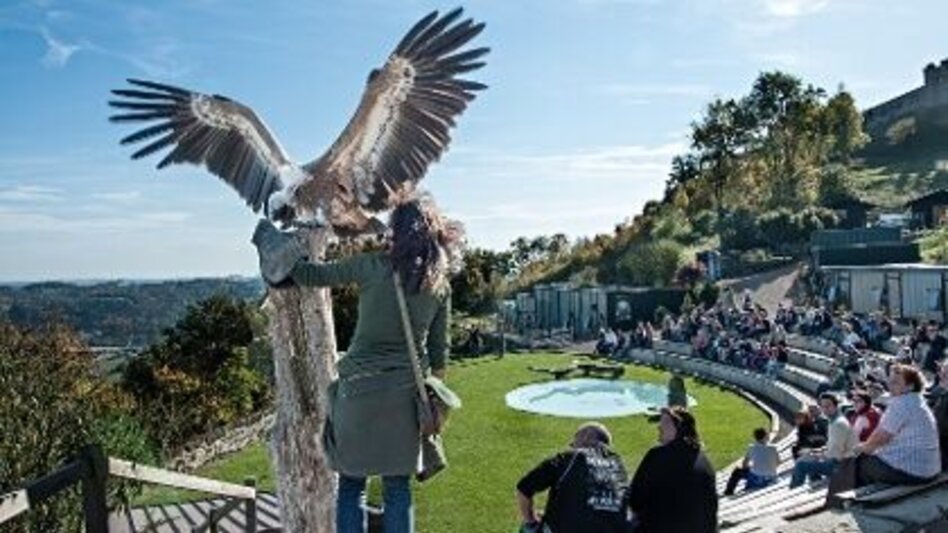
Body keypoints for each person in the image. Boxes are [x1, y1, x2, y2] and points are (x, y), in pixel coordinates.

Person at [253, 196, 461, 533]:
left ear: (396, 230)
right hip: (405, 399)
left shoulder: (373, 266)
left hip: (358, 395)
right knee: (397, 489)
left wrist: (275, 243)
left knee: (351, 486)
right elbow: (440, 354)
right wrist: (431, 390)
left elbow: (310, 275)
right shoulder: (440, 285)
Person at [516, 423, 630, 533]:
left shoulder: (569, 458)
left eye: (573, 443)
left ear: (586, 437)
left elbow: (524, 488)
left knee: (528, 528)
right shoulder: (619, 467)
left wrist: (531, 521)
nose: (572, 446)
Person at [629, 406, 717, 533]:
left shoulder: (657, 455)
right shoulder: (704, 460)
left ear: (679, 428)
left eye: (664, 423)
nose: (659, 427)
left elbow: (635, 499)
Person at [850, 364, 941, 486]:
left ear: (910, 386)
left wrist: (862, 448)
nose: (890, 385)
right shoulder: (916, 400)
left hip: (915, 473)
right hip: (930, 469)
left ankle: (859, 501)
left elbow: (881, 438)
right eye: (890, 381)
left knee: (859, 460)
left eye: (896, 382)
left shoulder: (902, 404)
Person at [790, 393, 857, 488]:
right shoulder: (834, 421)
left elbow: (835, 454)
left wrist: (816, 455)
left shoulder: (838, 424)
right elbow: (832, 447)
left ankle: (794, 490)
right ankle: (816, 484)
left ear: (836, 406)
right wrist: (814, 451)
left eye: (828, 406)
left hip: (842, 466)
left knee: (801, 464)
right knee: (808, 459)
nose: (825, 409)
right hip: (842, 463)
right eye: (823, 406)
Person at [723, 427, 780, 495]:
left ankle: (728, 491)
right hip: (772, 478)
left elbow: (744, 464)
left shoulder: (752, 447)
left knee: (737, 471)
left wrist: (751, 466)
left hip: (758, 479)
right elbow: (778, 463)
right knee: (753, 470)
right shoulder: (773, 448)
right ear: (766, 436)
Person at [929, 361, 948, 471]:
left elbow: (939, 429)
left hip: (942, 454)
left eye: (946, 374)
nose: (941, 375)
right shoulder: (943, 394)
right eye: (942, 372)